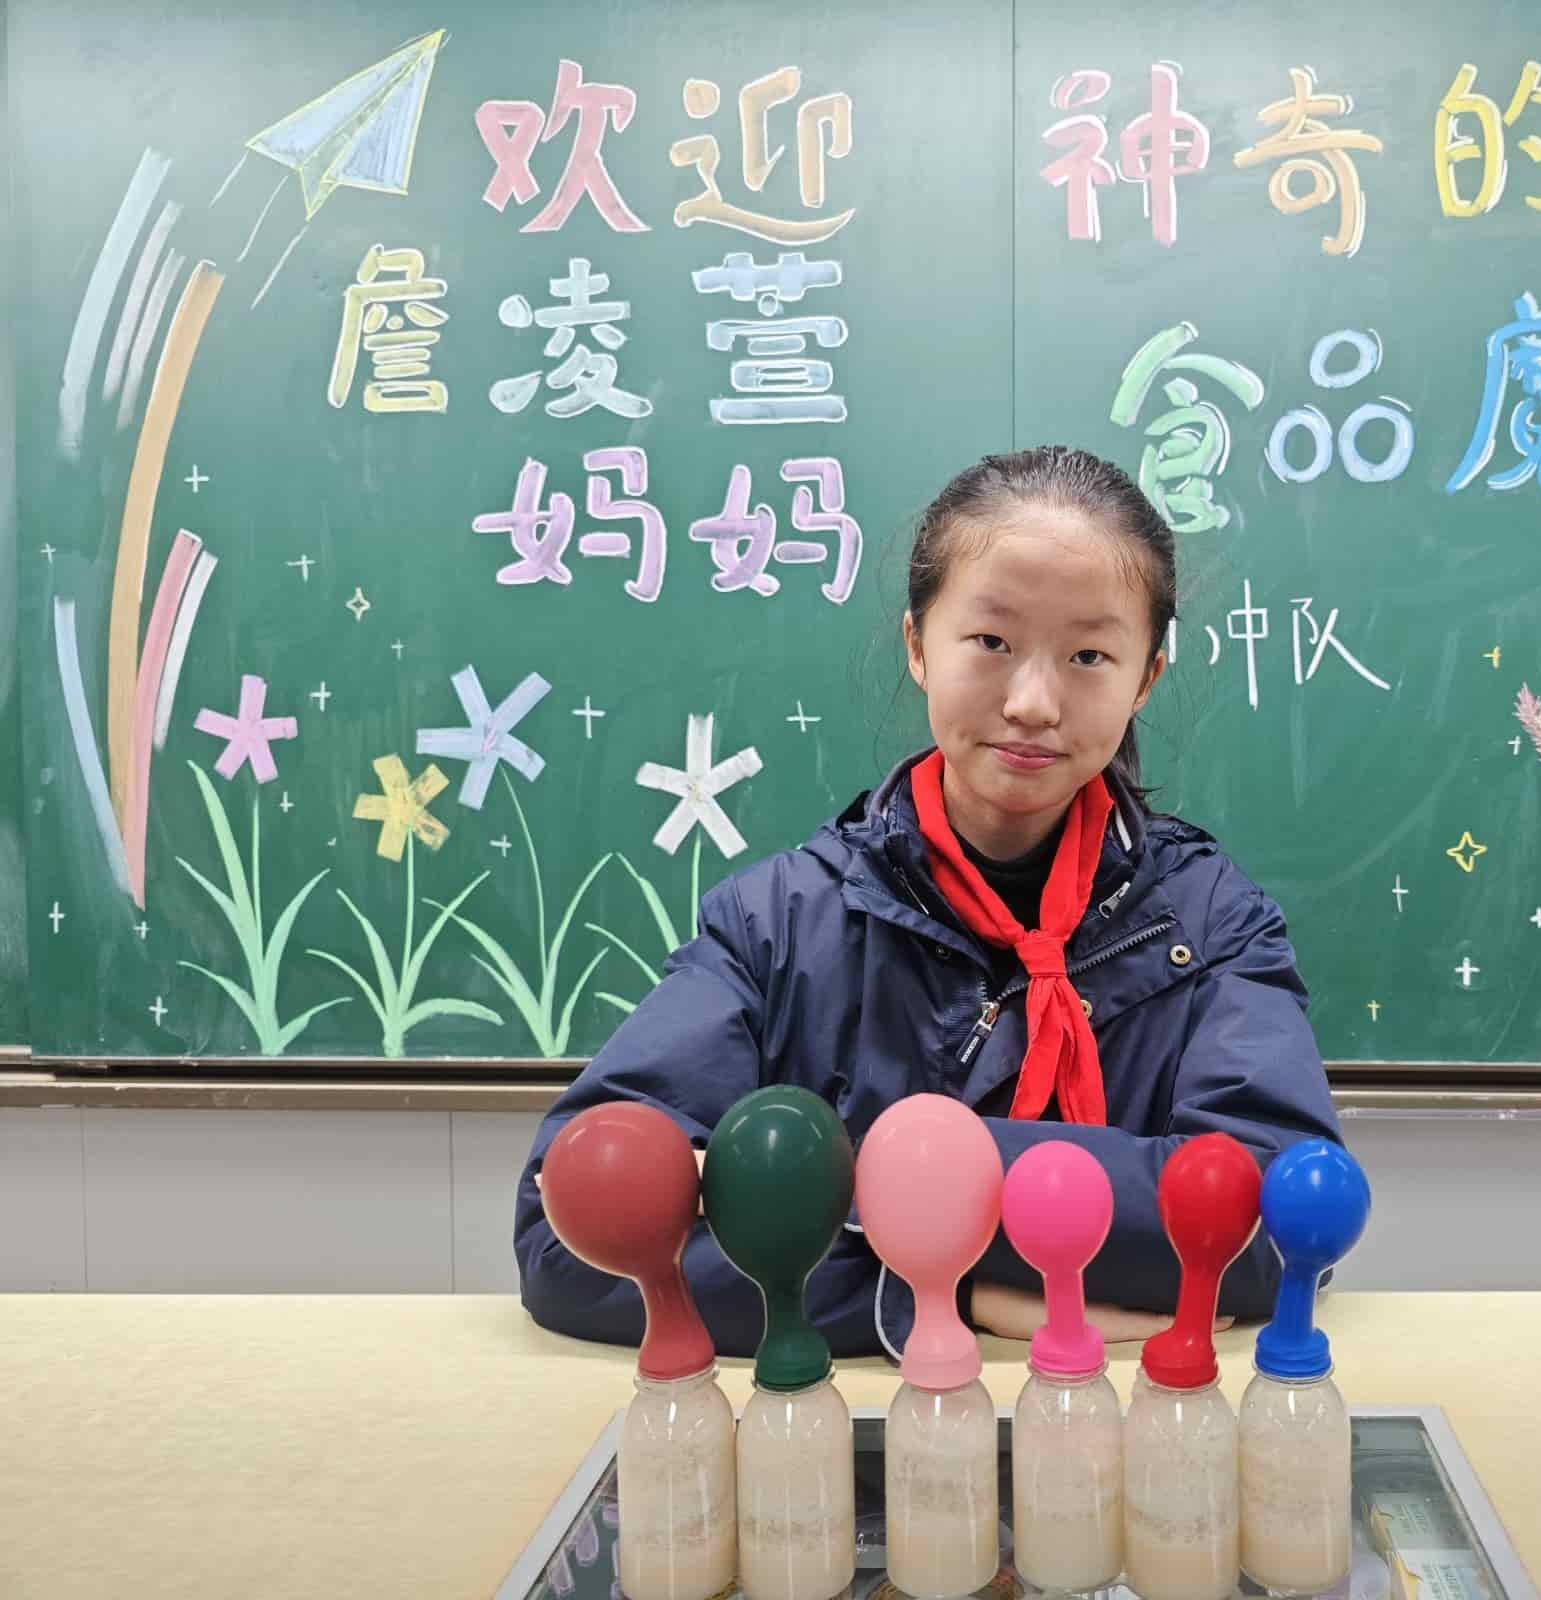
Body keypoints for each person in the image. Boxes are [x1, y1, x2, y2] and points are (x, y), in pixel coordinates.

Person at [515, 446, 1343, 1357]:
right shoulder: (775, 925)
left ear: (1144, 677)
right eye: (990, 642)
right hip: (856, 1429)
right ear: (917, 645)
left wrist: (860, 1195)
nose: (1032, 702)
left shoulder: (1211, 923)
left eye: (1089, 655)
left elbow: (1277, 1229)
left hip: (1138, 1420)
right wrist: (939, 1293)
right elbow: (576, 1237)